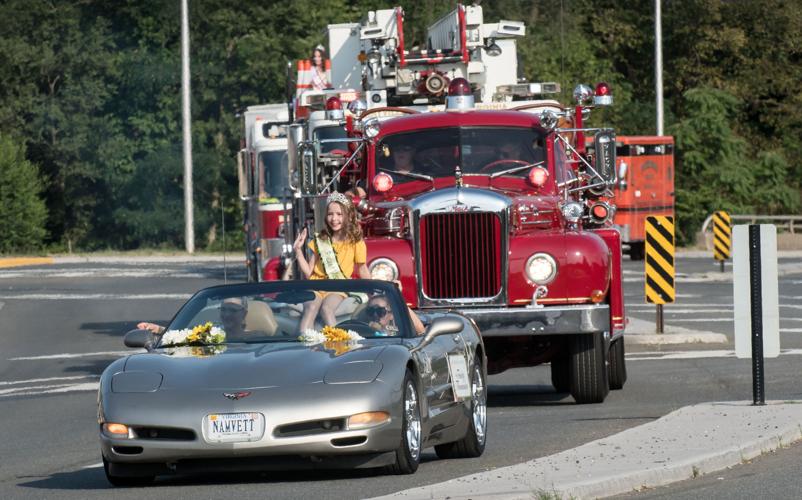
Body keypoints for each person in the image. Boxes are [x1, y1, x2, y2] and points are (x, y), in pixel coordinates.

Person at [293, 191, 370, 331]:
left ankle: (339, 344)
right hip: (316, 285)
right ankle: (305, 344)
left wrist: (373, 291)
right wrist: (298, 250)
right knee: (310, 307)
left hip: (337, 287)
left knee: (327, 309)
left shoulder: (355, 241)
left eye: (339, 214)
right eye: (330, 214)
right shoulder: (321, 240)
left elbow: (362, 269)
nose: (334, 219)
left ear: (348, 215)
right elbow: (309, 272)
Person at [136, 298, 252, 340]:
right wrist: (158, 329)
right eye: (224, 309)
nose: (226, 315)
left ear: (244, 314)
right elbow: (183, 336)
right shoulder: (211, 335)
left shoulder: (258, 336)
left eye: (232, 310)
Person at [357, 293, 426, 336]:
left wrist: (399, 299)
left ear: (391, 315)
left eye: (379, 311)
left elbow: (421, 332)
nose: (375, 315)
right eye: (371, 311)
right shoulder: (360, 328)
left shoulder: (397, 331)